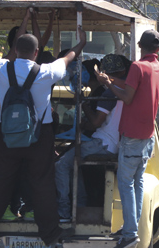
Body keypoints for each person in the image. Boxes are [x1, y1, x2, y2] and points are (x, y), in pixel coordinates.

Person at [0, 24, 86, 246]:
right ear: (36, 53)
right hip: (39, 135)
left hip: (7, 134)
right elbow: (67, 59)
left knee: (1, 179)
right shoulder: (46, 72)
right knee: (42, 182)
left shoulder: (4, 68)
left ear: (15, 49)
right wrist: (80, 44)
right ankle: (50, 233)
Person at [97, 30, 159, 248]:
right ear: (158, 49)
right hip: (147, 136)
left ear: (139, 45)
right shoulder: (156, 67)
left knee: (126, 185)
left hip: (133, 135)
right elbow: (134, 87)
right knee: (137, 182)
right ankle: (131, 228)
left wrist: (107, 84)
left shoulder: (137, 67)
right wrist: (111, 80)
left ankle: (130, 233)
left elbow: (126, 97)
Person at [55, 54, 130, 222]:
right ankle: (80, 205)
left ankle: (64, 212)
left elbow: (96, 123)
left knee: (61, 165)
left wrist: (83, 104)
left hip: (102, 143)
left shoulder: (108, 94)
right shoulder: (123, 92)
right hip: (111, 142)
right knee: (74, 164)